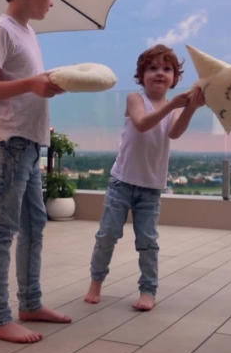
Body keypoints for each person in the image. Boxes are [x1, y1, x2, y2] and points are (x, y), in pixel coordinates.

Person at [0, 0, 72, 344]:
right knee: (2, 231)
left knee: (34, 224)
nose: (52, 1)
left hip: (29, 143)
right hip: (9, 143)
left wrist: (43, 85)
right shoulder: (2, 31)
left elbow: (23, 82)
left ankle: (30, 302)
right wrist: (32, 85)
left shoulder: (27, 32)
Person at [83, 44, 205, 311]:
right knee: (107, 235)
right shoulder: (135, 100)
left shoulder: (170, 108)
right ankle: (96, 282)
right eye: (152, 68)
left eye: (166, 68)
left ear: (175, 77)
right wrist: (173, 104)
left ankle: (148, 290)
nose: (159, 73)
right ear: (141, 75)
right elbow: (141, 124)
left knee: (147, 241)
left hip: (150, 187)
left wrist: (190, 108)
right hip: (122, 182)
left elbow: (173, 133)